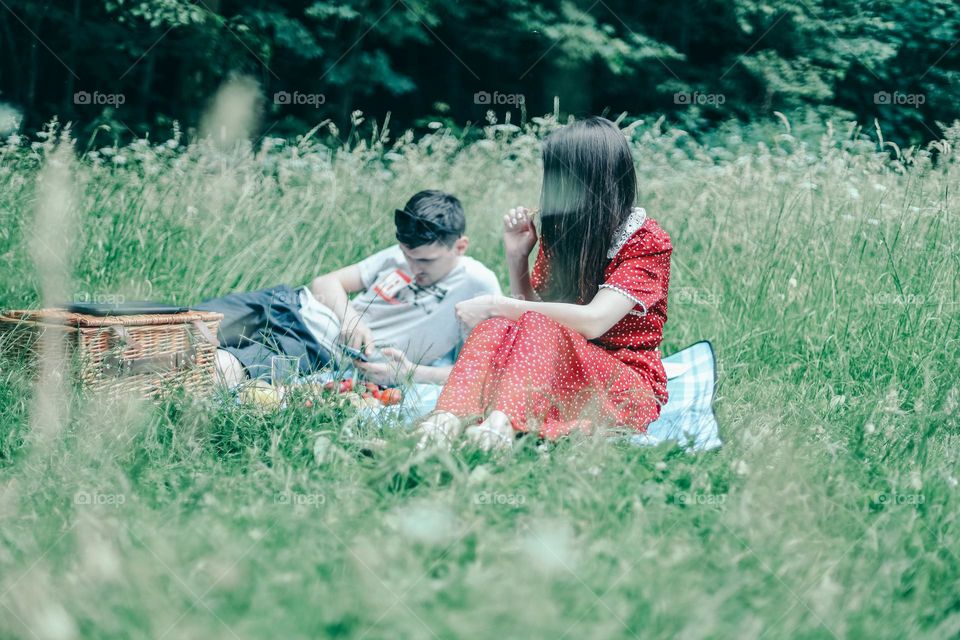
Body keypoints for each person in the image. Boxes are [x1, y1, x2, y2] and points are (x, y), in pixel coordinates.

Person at [415, 117, 672, 450]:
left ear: (589, 179)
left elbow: (593, 321)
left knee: (517, 317)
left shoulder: (646, 242)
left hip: (623, 388)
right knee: (496, 327)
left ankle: (500, 428)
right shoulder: (565, 234)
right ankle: (444, 422)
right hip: (556, 376)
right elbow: (532, 313)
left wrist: (498, 304)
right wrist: (517, 257)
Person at [196, 190, 502, 387]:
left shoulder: (478, 283)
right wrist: (350, 318)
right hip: (290, 303)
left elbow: (487, 373)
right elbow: (325, 283)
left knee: (220, 371)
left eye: (425, 261)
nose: (412, 266)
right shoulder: (402, 255)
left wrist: (410, 372)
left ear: (460, 247)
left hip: (318, 347)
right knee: (187, 326)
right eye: (407, 255)